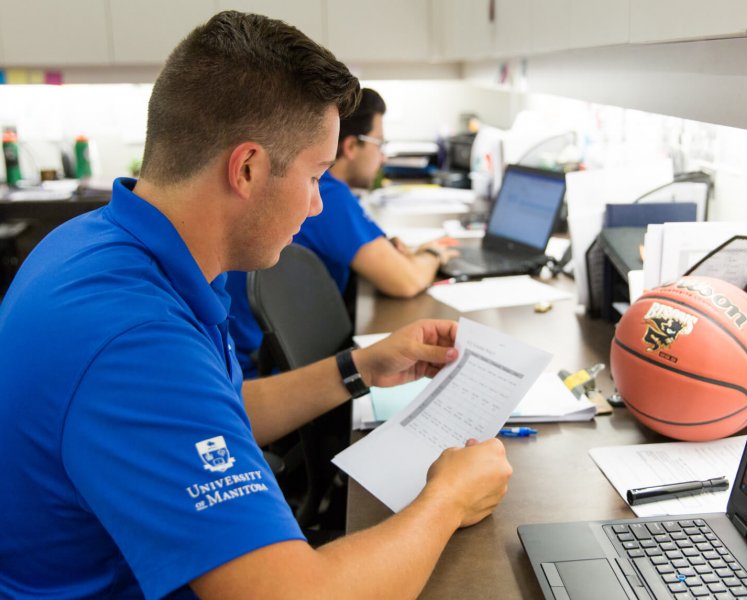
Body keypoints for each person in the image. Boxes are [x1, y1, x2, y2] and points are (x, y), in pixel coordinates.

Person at [0, 11, 511, 599]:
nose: (319, 205)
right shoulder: (135, 339)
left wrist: (359, 369)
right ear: (247, 169)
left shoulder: (104, 243)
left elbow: (213, 411)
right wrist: (447, 499)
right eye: (317, 174)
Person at [225, 88, 457, 377]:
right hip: (261, 372)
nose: (382, 157)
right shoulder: (330, 196)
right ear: (350, 147)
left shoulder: (334, 193)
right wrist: (434, 253)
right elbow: (405, 281)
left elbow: (389, 249)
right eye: (379, 144)